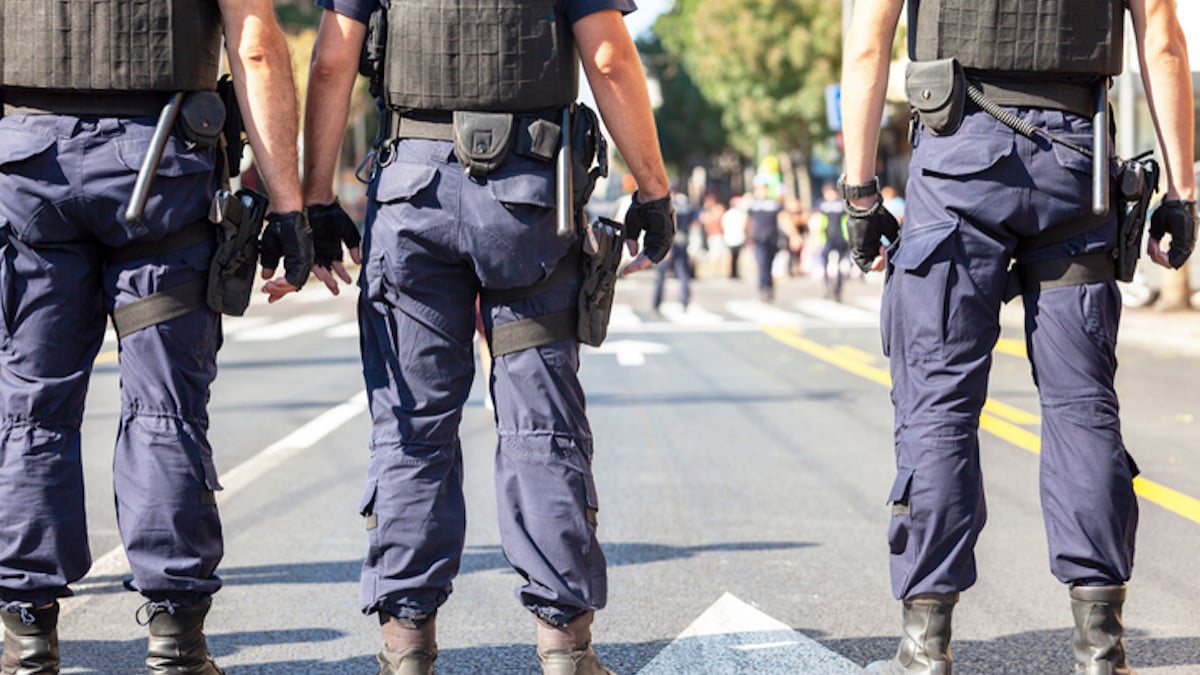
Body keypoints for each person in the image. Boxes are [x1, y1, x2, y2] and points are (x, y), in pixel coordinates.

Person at [301, 1, 674, 674]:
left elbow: (333, 61)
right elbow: (611, 57)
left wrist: (313, 199)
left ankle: (406, 643)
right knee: (540, 422)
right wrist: (653, 189)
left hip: (412, 193)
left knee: (412, 425)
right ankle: (565, 644)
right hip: (527, 195)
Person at [841, 0, 1195, 673]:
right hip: (1076, 166)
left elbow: (869, 42)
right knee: (1081, 406)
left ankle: (925, 645)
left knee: (939, 405)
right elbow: (1163, 38)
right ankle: (1100, 647)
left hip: (958, 165)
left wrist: (861, 194)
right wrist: (1182, 191)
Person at [0, 1, 315, 673]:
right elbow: (255, 45)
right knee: (163, 407)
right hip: (158, 163)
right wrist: (289, 204)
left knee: (31, 401)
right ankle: (175, 634)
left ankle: (26, 629)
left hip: (28, 166)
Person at [744, 182, 793, 302]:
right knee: (762, 264)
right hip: (759, 239)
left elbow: (784, 219)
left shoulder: (774, 204)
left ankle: (769, 287)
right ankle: (763, 288)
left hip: (772, 239)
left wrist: (793, 235)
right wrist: (746, 236)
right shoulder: (753, 205)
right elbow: (748, 222)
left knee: (769, 265)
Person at [652, 192, 695, 313]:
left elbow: (665, 227)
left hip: (670, 243)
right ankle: (684, 300)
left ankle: (657, 302)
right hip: (682, 242)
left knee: (661, 274)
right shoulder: (686, 205)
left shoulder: (669, 206)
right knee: (683, 273)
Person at [809, 182, 851, 301]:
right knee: (824, 264)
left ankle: (837, 288)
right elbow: (816, 222)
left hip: (841, 238)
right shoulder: (821, 205)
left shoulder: (842, 205)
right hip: (826, 238)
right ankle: (828, 286)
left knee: (840, 265)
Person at [721, 194, 749, 279]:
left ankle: (732, 272)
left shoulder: (728, 214)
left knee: (732, 256)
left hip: (731, 237)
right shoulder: (739, 214)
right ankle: (732, 272)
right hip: (736, 237)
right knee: (734, 256)